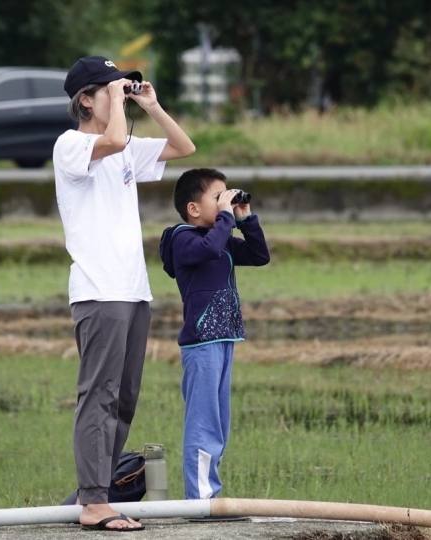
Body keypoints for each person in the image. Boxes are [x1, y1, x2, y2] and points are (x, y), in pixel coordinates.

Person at [53, 56, 196, 532]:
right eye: (106, 90)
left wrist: (150, 104)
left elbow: (183, 146)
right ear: (85, 99)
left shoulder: (125, 147)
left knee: (125, 399)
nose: (118, 95)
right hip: (99, 291)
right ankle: (94, 501)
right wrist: (117, 94)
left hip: (134, 291)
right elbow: (111, 139)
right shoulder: (71, 145)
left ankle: (96, 494)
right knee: (99, 395)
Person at [159, 168, 270, 501]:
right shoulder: (182, 238)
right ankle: (201, 499)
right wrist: (224, 219)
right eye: (217, 196)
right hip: (201, 343)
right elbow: (207, 249)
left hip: (223, 340)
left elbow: (259, 255)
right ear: (194, 209)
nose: (226, 201)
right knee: (204, 424)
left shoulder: (219, 240)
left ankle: (209, 493)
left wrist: (244, 218)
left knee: (219, 424)